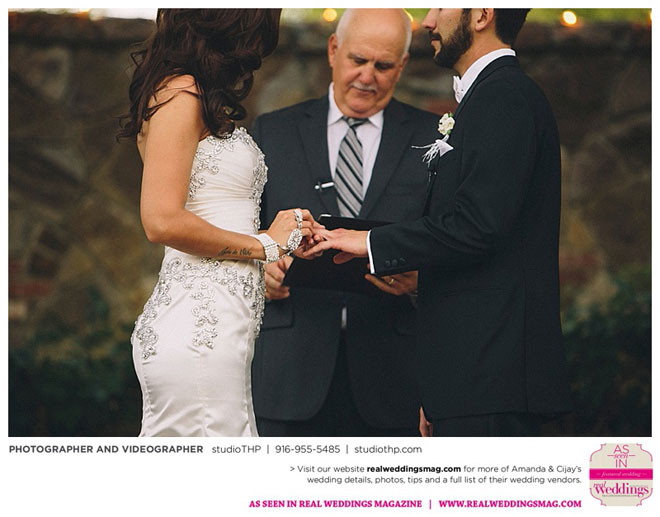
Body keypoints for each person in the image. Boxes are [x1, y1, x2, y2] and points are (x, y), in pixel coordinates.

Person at [307, 8, 573, 437]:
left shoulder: (504, 97)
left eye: (441, 7)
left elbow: (477, 225)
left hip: (492, 377)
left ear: (482, 14)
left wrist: (370, 241)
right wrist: (439, 392)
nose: (429, 21)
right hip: (468, 379)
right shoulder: (488, 96)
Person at [118, 9, 318, 437]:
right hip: (198, 330)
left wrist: (282, 238)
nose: (257, 52)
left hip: (224, 329)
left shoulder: (195, 94)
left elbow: (215, 211)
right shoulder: (180, 92)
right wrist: (264, 245)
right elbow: (160, 220)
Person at [251, 9, 440, 437]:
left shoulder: (434, 138)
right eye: (358, 60)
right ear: (333, 50)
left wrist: (420, 281)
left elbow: (452, 242)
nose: (367, 77)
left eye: (383, 65)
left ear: (402, 66)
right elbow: (238, 233)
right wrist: (260, 266)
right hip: (287, 373)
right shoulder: (273, 132)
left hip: (394, 379)